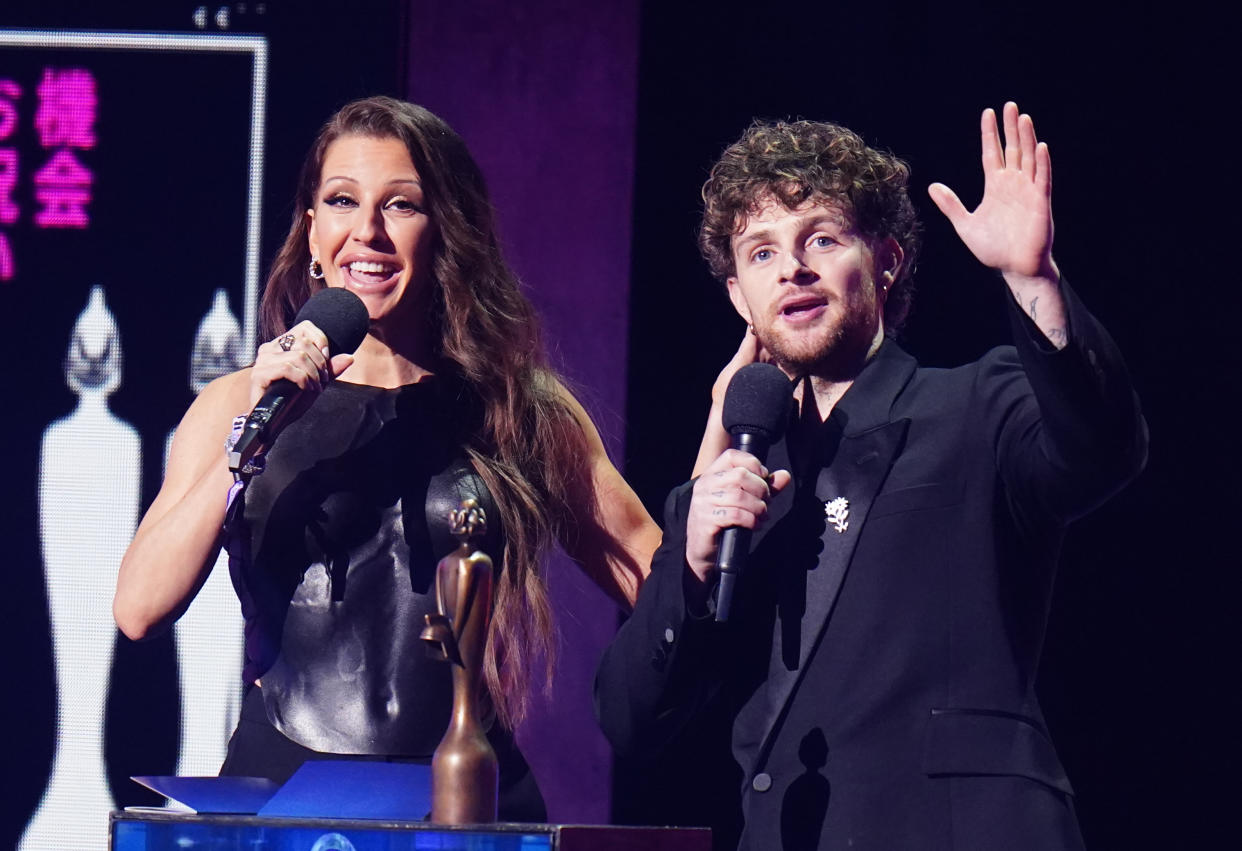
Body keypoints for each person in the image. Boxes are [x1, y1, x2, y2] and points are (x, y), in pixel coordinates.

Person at [594, 103, 1147, 850]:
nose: (792, 266)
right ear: (739, 299)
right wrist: (689, 563)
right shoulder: (735, 480)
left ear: (886, 260)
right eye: (760, 252)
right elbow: (629, 718)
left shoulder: (975, 404)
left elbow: (1102, 450)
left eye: (820, 238)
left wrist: (1034, 280)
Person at [114, 96, 661, 820]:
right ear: (313, 231)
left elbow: (655, 578)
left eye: (400, 205)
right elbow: (138, 606)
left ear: (445, 233)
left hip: (463, 800)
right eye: (342, 201)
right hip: (285, 797)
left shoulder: (518, 408)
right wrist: (258, 428)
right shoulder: (236, 403)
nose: (366, 232)